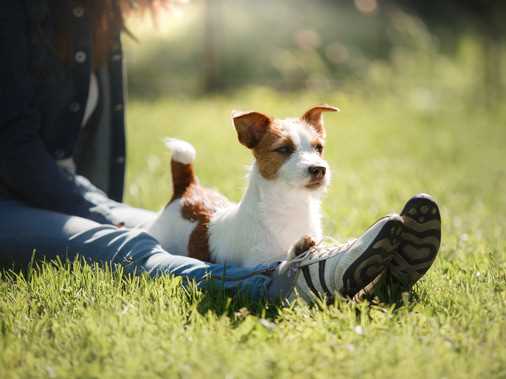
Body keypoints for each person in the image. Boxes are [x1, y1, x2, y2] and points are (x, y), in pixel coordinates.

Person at [0, 1, 441, 304]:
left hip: (52, 186)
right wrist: (92, 210)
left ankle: (362, 271)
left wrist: (95, 203)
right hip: (11, 196)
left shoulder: (86, 19)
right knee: (127, 245)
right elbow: (14, 148)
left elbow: (50, 160)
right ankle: (288, 282)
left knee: (150, 221)